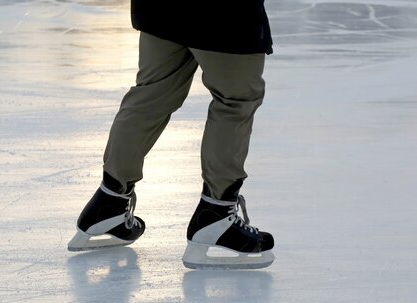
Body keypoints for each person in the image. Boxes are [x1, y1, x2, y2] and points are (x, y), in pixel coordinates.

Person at [68, 0, 275, 269]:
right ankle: (216, 214)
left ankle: (110, 202)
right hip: (224, 13)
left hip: (161, 8)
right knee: (235, 101)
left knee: (151, 95)